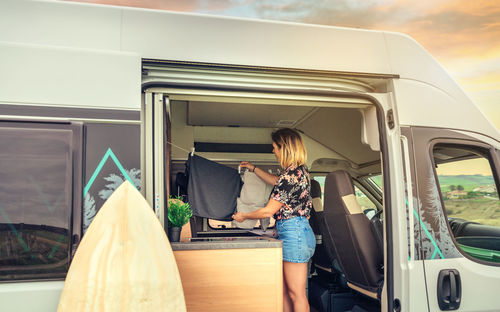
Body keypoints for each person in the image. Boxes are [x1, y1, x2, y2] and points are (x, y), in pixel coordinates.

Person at [232, 128, 315, 312]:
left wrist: (243, 216)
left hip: (295, 234)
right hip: (295, 232)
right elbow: (276, 181)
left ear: (284, 147)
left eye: (275, 147)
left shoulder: (290, 175)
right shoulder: (298, 172)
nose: (273, 151)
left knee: (296, 294)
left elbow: (267, 211)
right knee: (284, 291)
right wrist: (253, 169)